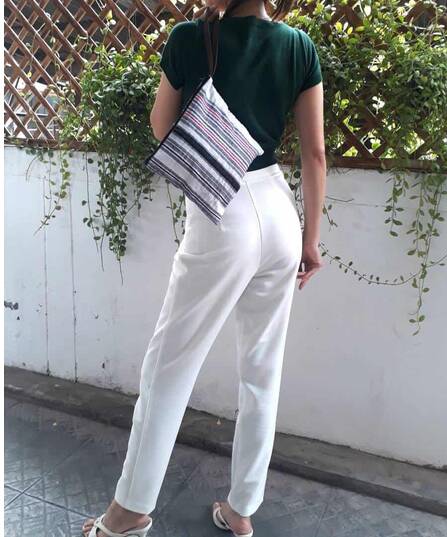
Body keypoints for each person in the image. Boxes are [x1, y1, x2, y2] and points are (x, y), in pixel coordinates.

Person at [82, 0, 326, 535]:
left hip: (222, 210)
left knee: (169, 365)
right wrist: (310, 240)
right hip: (280, 214)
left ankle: (129, 511)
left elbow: (161, 125)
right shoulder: (299, 47)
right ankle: (241, 511)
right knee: (262, 371)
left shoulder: (190, 38)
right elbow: (314, 154)